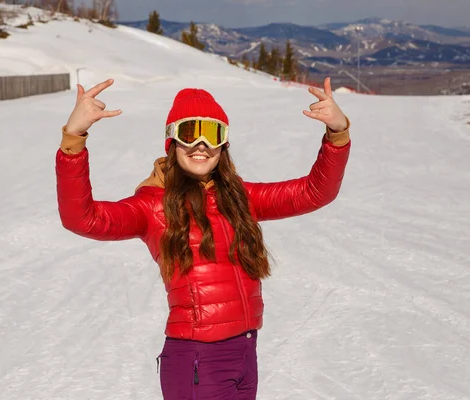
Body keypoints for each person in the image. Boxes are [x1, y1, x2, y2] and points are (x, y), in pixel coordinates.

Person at [55, 77, 351, 400]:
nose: (201, 145)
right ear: (172, 142)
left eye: (212, 134)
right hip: (198, 359)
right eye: (188, 132)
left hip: (244, 353)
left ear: (223, 143)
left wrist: (337, 134)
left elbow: (314, 192)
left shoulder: (239, 197)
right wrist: (74, 139)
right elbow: (82, 218)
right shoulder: (154, 205)